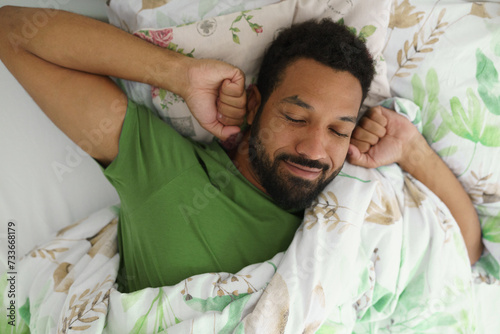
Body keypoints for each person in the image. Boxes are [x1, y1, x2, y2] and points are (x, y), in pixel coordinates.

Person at [0, 6, 483, 293]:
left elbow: (462, 250)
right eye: (295, 117)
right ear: (254, 105)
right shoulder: (169, 175)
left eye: (339, 129)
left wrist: (412, 149)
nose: (315, 148)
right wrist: (179, 74)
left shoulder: (356, 202)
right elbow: (12, 33)